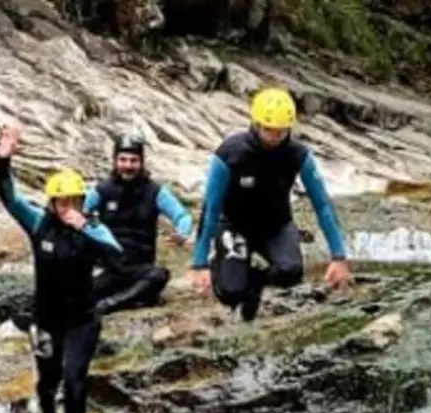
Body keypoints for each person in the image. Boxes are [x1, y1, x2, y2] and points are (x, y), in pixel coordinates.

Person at [0, 125, 124, 413]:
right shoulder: (39, 223)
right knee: (49, 379)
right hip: (46, 318)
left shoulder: (93, 229)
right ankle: (46, 405)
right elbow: (9, 197)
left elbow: (119, 264)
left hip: (82, 319)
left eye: (75, 202)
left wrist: (87, 230)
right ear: (52, 204)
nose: (69, 208)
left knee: (74, 381)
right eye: (63, 203)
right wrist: (3, 161)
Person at [188, 87, 354, 321]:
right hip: (234, 226)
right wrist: (200, 264)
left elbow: (323, 205)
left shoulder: (298, 155)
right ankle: (223, 265)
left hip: (276, 225)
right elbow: (211, 208)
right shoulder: (230, 154)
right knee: (231, 292)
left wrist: (338, 257)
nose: (274, 137)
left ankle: (255, 280)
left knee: (291, 273)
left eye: (281, 132)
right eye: (268, 130)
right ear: (255, 124)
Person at [83, 132, 194, 315]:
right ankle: (133, 297)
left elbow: (183, 216)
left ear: (141, 162)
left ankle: (110, 305)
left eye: (133, 160)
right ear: (115, 161)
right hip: (110, 267)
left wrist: (182, 233)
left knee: (159, 275)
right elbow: (77, 211)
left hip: (140, 267)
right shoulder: (102, 190)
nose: (128, 166)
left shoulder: (155, 191)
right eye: (123, 160)